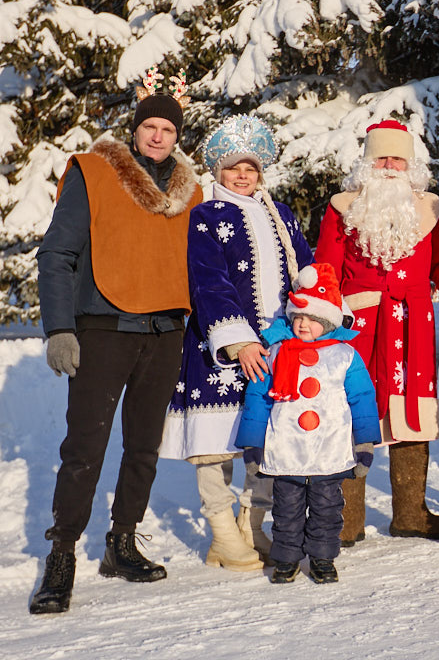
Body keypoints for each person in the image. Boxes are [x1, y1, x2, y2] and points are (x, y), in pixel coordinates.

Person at [30, 75, 202, 614]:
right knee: (84, 448)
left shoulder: (188, 190)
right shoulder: (96, 172)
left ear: (177, 135)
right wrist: (59, 327)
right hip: (104, 328)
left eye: (167, 128)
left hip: (166, 332)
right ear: (134, 130)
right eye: (149, 126)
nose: (157, 136)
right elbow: (56, 254)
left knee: (144, 447)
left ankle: (122, 541)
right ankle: (62, 553)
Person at [313, 120, 439, 543]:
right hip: (359, 329)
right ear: (368, 163)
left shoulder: (427, 209)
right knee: (355, 414)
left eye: (397, 158)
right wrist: (321, 319)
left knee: (414, 414)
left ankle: (409, 513)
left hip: (413, 326)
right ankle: (347, 518)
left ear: (410, 165)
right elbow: (326, 269)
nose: (390, 166)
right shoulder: (342, 207)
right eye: (382, 157)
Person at [159, 114, 313, 571]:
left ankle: (253, 525)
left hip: (279, 343)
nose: (242, 176)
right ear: (217, 172)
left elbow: (306, 270)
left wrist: (320, 313)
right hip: (221, 346)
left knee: (265, 439)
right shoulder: (206, 215)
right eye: (232, 168)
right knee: (218, 441)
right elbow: (209, 281)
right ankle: (222, 534)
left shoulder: (280, 214)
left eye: (250, 168)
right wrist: (238, 341)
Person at [234, 263, 380, 584]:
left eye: (312, 319)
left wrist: (365, 443)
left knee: (327, 509)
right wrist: (252, 444)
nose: (302, 324)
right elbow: (258, 400)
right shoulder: (275, 353)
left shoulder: (345, 355)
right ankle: (286, 558)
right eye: (298, 317)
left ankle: (323, 557)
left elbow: (363, 401)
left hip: (330, 452)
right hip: (286, 452)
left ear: (327, 321)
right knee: (286, 510)